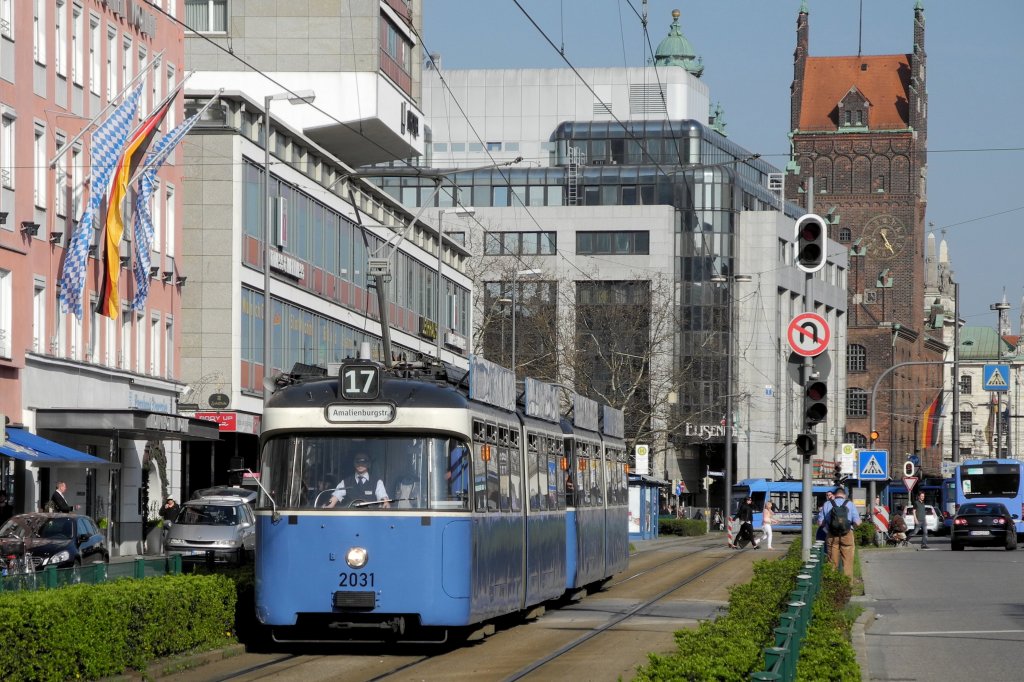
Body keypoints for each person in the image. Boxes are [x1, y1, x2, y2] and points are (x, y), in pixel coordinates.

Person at [818, 486, 861, 577]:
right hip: (847, 534)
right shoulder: (850, 504)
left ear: (834, 495)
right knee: (848, 562)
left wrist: (828, 526)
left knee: (832, 561)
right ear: (844, 495)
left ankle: (833, 582)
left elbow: (820, 523)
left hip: (832, 535)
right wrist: (850, 526)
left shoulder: (827, 504)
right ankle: (847, 583)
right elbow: (858, 523)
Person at [325, 453, 390, 508]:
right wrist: (328, 505)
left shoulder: (377, 482)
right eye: (357, 462)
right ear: (354, 464)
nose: (360, 465)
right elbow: (336, 496)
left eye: (363, 462)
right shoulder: (345, 482)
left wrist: (385, 502)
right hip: (350, 516)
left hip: (370, 517)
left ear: (368, 464)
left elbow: (382, 497)